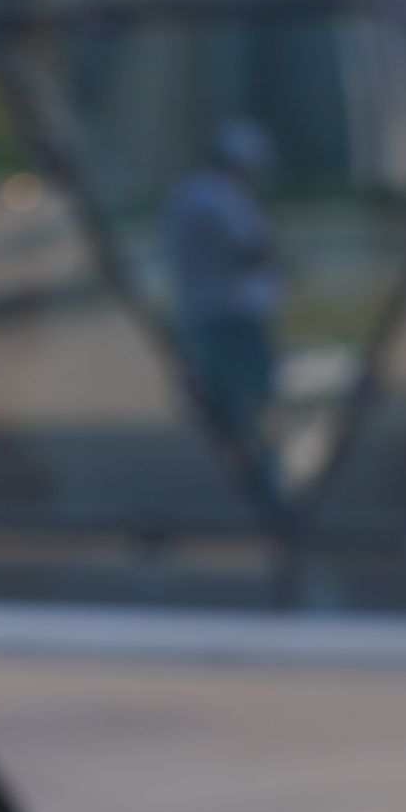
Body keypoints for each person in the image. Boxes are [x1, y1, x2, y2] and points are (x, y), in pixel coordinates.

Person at [160, 116, 286, 520]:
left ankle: (250, 483)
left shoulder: (192, 193)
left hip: (206, 314)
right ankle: (263, 491)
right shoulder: (218, 197)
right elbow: (250, 250)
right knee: (252, 406)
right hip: (232, 318)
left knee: (229, 408)